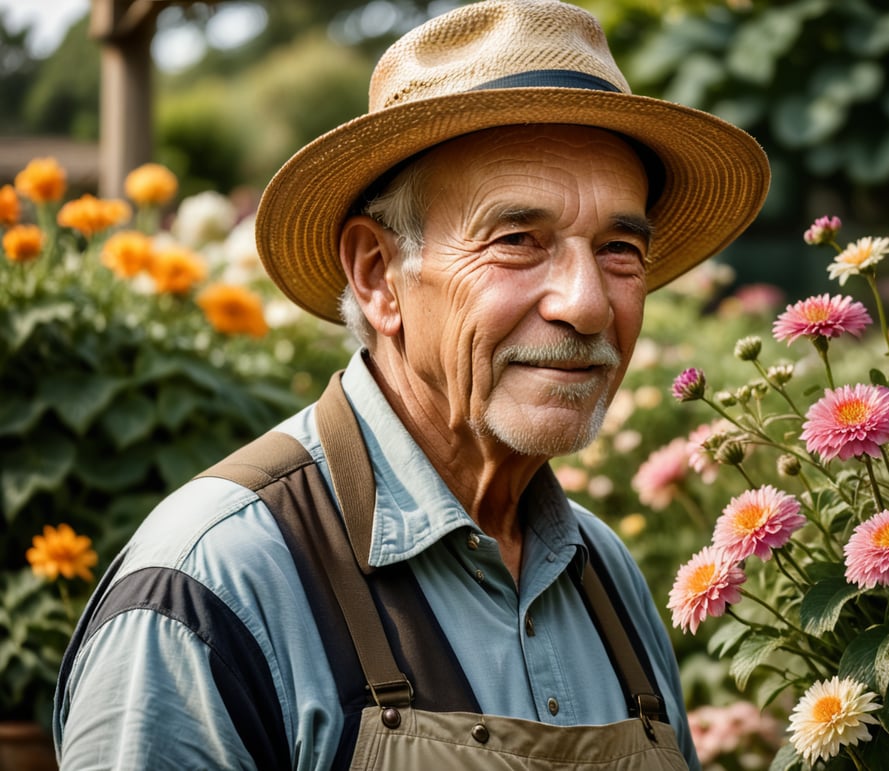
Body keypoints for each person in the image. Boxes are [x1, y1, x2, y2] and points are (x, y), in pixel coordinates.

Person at [54, 1, 769, 769]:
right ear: (377, 277)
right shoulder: (214, 583)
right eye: (518, 240)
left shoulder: (604, 575)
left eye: (620, 248)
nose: (588, 302)